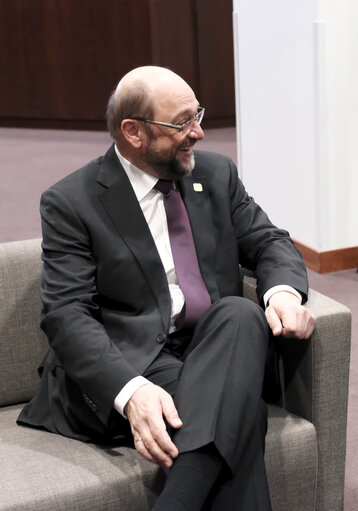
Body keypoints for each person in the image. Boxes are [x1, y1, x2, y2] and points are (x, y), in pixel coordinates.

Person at [17, 66, 315, 510]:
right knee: (241, 411)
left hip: (212, 347)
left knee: (239, 312)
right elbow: (66, 315)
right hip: (135, 357)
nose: (198, 132)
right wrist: (130, 391)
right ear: (133, 132)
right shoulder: (72, 201)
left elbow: (268, 240)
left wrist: (285, 293)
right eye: (181, 123)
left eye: (198, 115)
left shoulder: (215, 175)